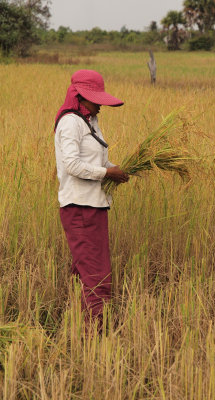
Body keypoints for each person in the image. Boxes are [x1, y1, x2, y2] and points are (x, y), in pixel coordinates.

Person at [54, 69, 129, 330]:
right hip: (79, 208)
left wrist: (118, 169)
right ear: (79, 96)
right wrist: (107, 173)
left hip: (95, 206)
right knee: (97, 276)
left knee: (85, 272)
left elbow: (98, 160)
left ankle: (77, 328)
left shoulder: (90, 121)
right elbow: (72, 164)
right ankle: (96, 334)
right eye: (95, 99)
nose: (100, 105)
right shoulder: (70, 123)